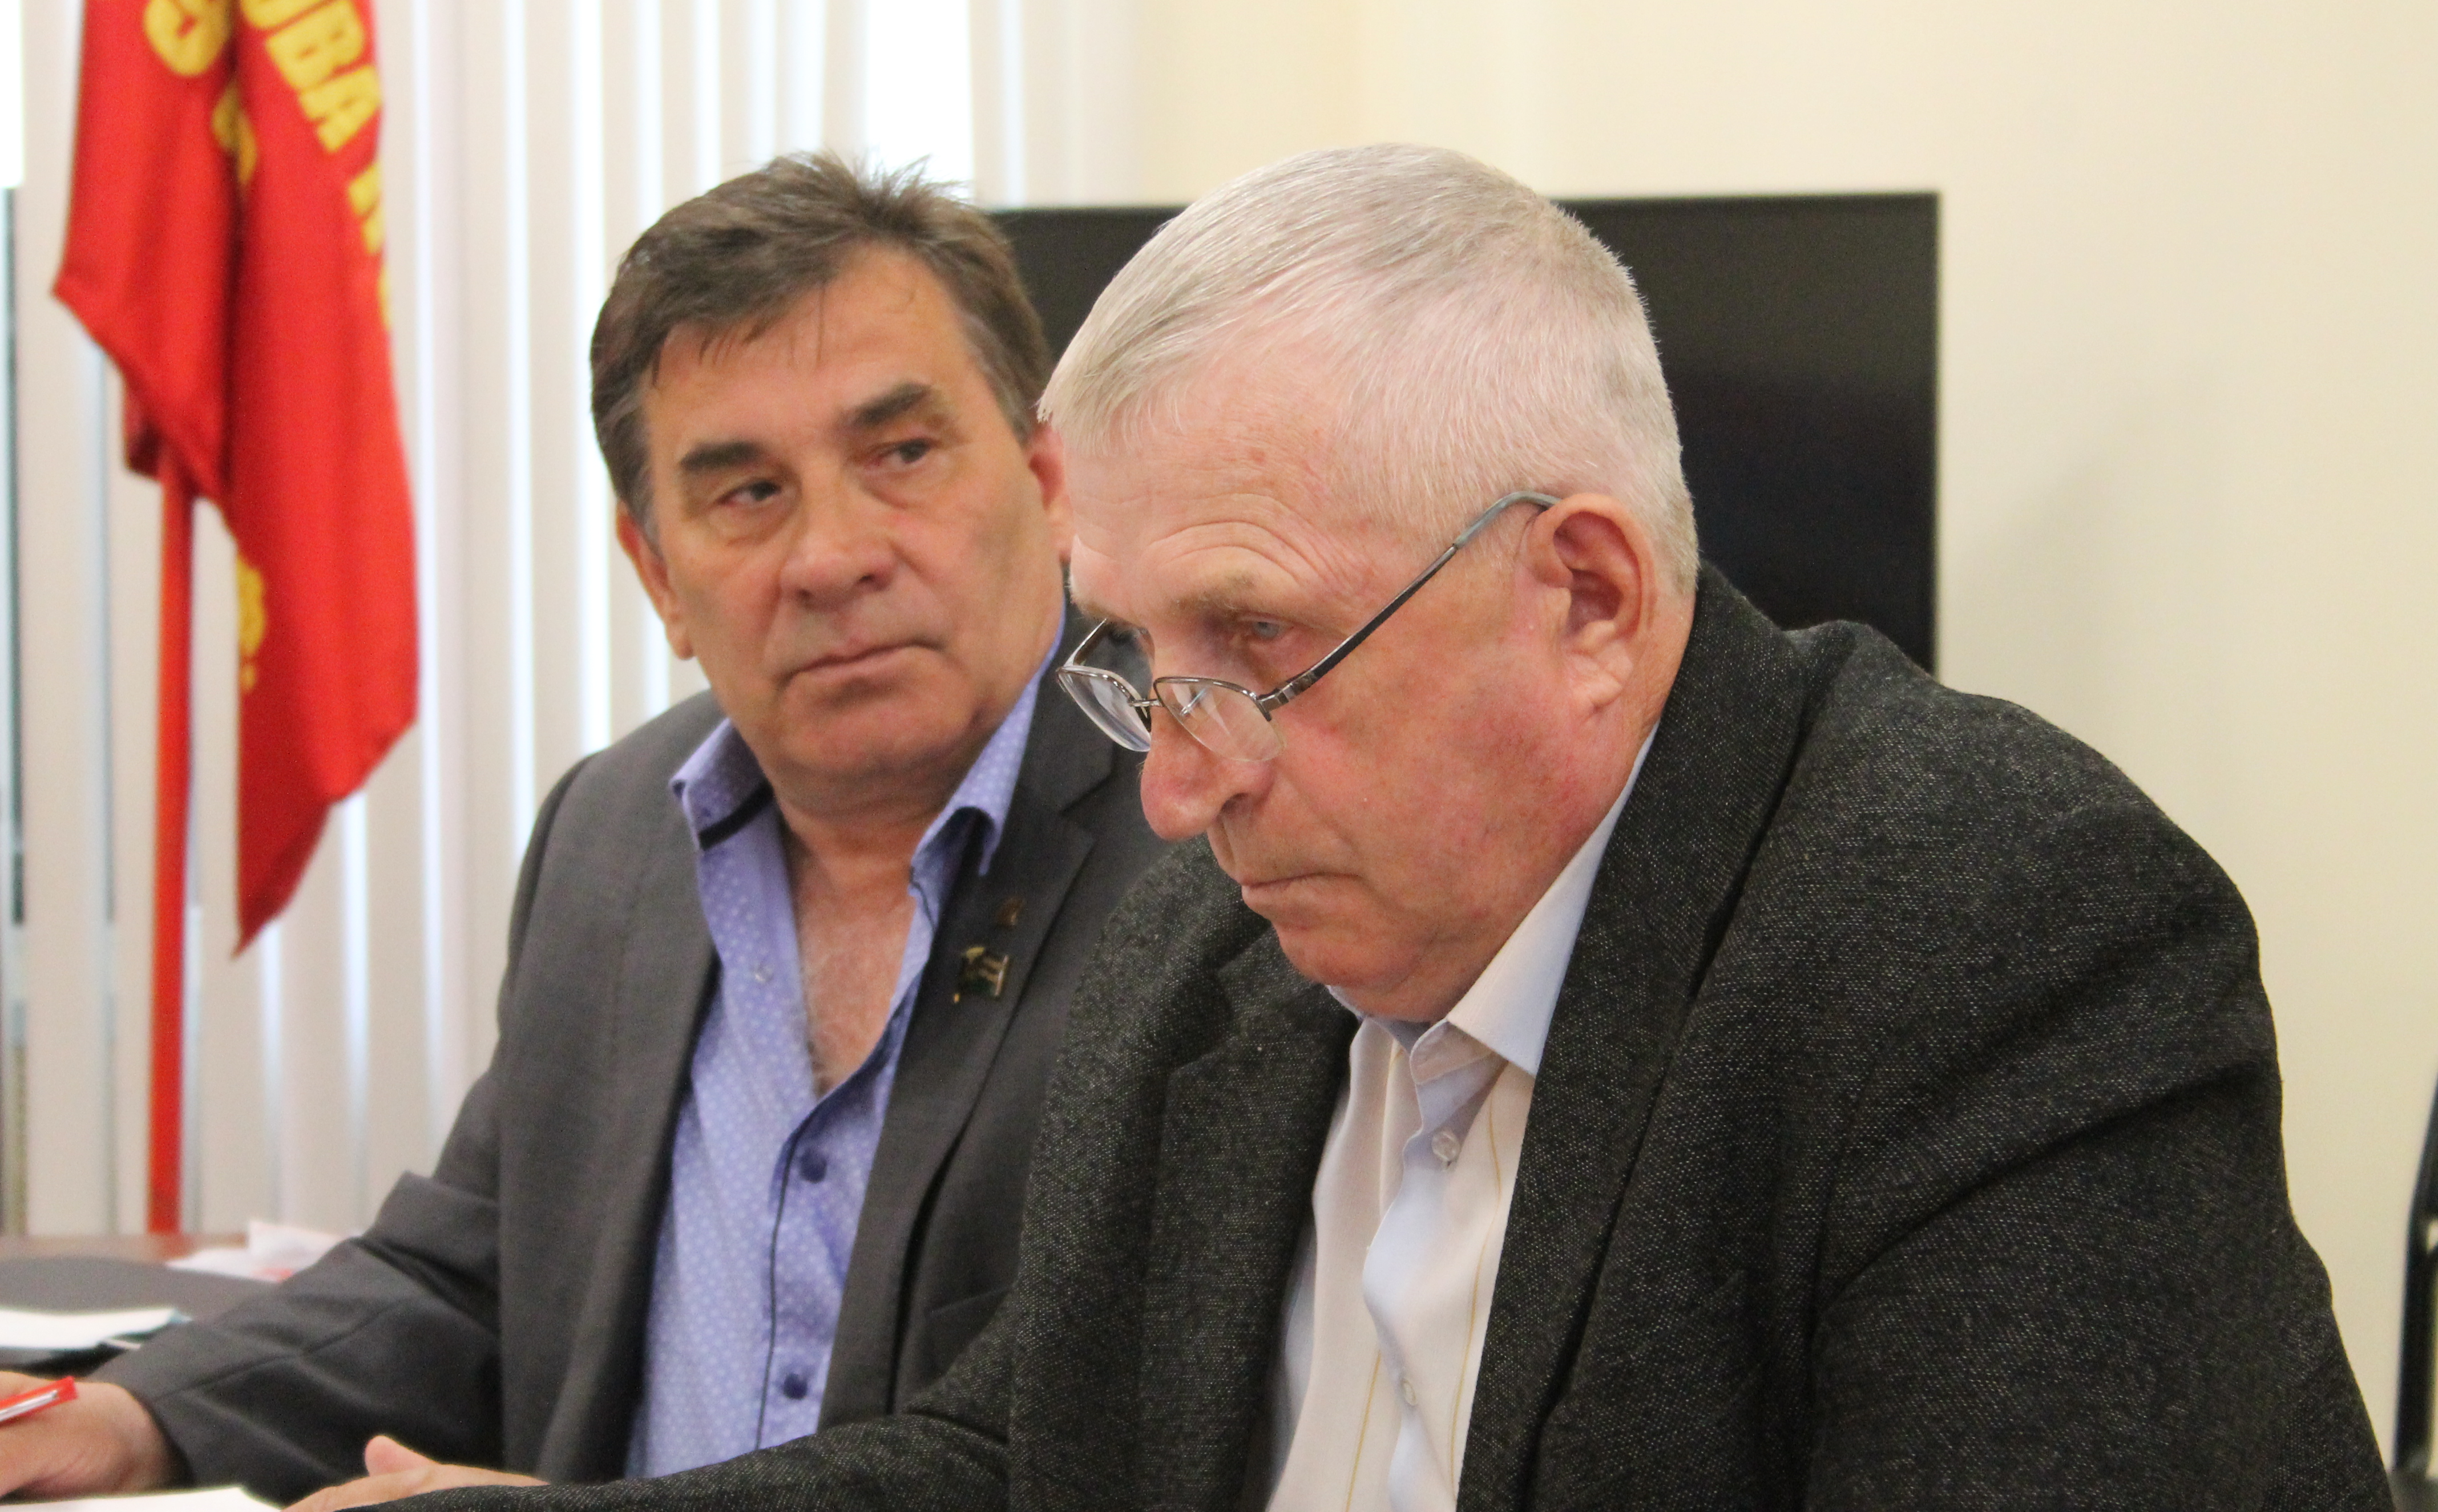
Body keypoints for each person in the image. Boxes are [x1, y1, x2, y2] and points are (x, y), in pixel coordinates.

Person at [304, 144, 2393, 1511]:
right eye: (1137, 656)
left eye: (1256, 647)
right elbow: (1029, 1455)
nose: (1175, 779)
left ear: (1586, 597)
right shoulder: (1225, 944)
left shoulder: (1986, 936)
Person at [0, 154, 1166, 1506]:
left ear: (1047, 479)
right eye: (747, 493)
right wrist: (133, 1416)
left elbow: (1076, 1437)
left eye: (901, 454)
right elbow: (473, 1274)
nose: (832, 554)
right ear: (657, 571)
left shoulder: (1205, 846)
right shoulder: (614, 835)